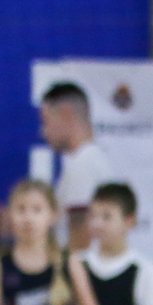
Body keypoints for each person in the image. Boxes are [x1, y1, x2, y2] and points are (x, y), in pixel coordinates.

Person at [41, 82, 117, 220]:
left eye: (46, 122)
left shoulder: (83, 166)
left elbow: (80, 238)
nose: (43, 132)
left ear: (66, 115)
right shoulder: (91, 161)